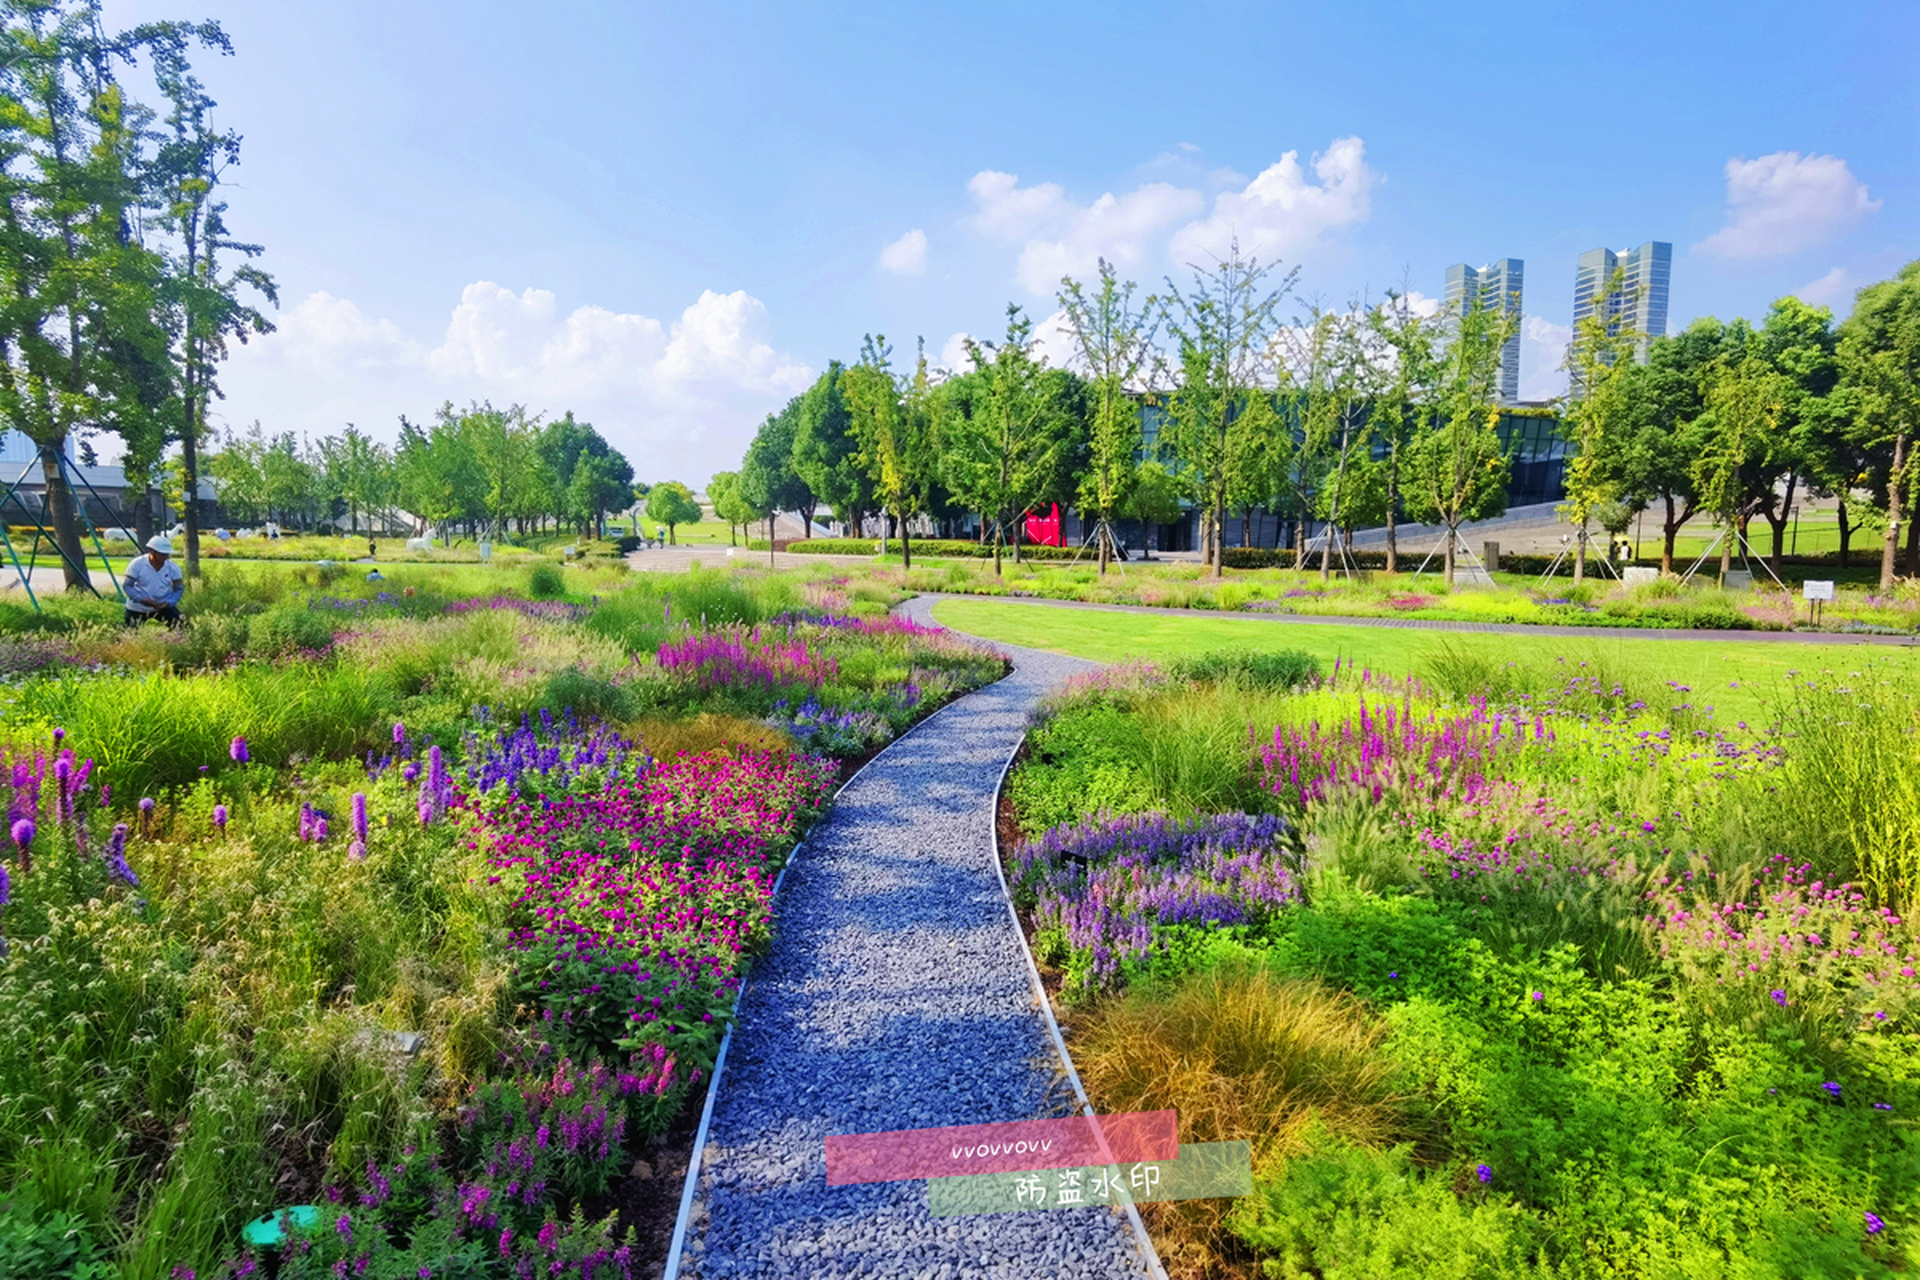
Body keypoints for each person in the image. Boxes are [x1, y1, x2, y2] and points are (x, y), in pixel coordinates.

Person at [124, 535, 184, 626]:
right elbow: (127, 586)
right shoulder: (137, 564)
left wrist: (169, 602)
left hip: (163, 605)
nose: (166, 557)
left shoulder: (173, 567)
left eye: (167, 554)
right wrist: (141, 599)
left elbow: (178, 589)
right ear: (152, 552)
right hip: (138, 607)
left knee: (182, 626)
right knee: (129, 632)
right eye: (163, 554)